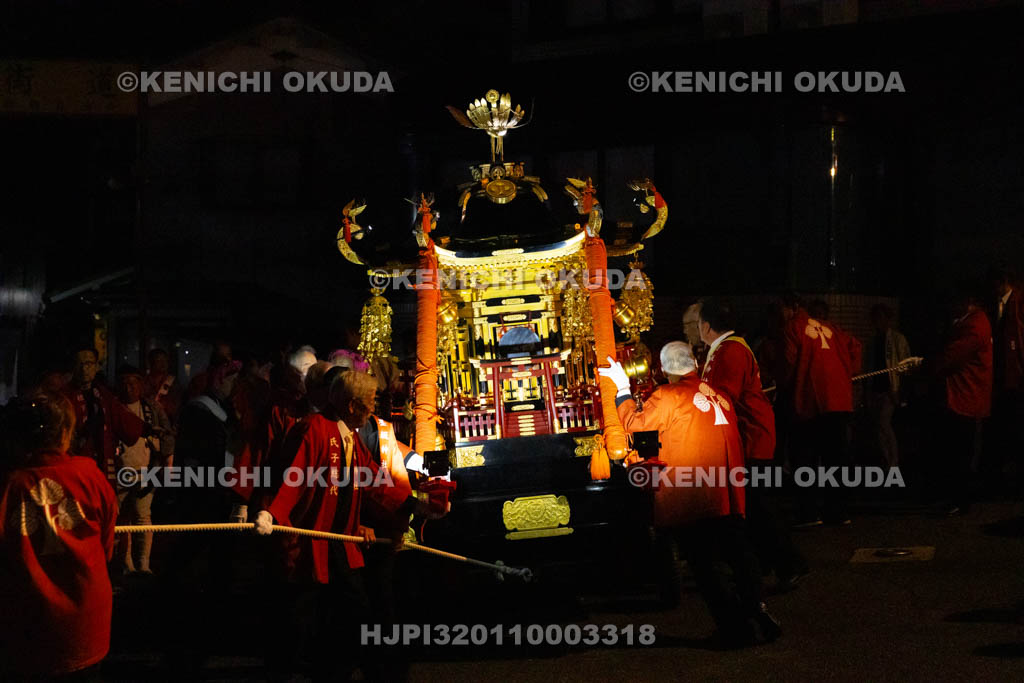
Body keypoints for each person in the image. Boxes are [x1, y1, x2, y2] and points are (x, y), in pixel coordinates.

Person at [600, 342, 780, 648]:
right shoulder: (719, 395)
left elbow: (635, 424)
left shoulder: (669, 396)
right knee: (739, 555)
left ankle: (736, 628)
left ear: (663, 369)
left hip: (693, 495)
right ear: (694, 364)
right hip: (728, 491)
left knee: (705, 566)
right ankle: (756, 609)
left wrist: (621, 389)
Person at [253, 370, 380, 680]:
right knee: (299, 615)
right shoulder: (313, 429)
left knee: (352, 609)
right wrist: (273, 513)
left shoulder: (350, 436)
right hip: (310, 539)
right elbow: (292, 478)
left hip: (340, 541)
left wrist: (411, 504)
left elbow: (376, 480)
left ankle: (334, 669)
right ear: (352, 405)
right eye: (369, 402)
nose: (373, 408)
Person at [0, 392, 118, 679]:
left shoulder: (8, 485)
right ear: (65, 432)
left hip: (27, 623)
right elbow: (106, 547)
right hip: (86, 621)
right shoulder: (89, 475)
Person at [697, 298, 808, 591]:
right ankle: (766, 563)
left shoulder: (729, 351)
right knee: (754, 505)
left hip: (751, 437)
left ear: (706, 326)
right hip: (750, 434)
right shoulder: (728, 347)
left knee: (759, 506)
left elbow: (722, 398)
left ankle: (789, 563)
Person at [779, 296, 861, 527]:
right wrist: (846, 373)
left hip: (809, 402)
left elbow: (787, 365)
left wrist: (783, 388)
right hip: (839, 401)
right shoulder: (832, 328)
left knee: (805, 459)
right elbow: (855, 346)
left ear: (793, 307)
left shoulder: (792, 327)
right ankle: (838, 511)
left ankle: (808, 512)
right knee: (836, 458)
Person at [931, 293, 993, 515]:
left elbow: (953, 355)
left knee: (960, 451)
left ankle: (959, 499)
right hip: (965, 394)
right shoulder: (973, 323)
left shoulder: (974, 325)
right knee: (960, 450)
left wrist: (929, 365)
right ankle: (957, 497)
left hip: (965, 396)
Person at [114, 365, 174, 576]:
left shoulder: (151, 408)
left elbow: (167, 435)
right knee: (124, 519)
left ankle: (144, 563)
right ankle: (126, 562)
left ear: (140, 385)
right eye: (125, 383)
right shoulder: (114, 408)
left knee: (143, 516)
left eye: (133, 383)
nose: (129, 388)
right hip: (119, 470)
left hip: (147, 469)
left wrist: (168, 464)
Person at [63, 346, 149, 486]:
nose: (84, 369)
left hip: (102, 458)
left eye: (89, 364)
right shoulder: (65, 396)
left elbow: (122, 418)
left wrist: (148, 429)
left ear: (97, 366)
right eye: (80, 364)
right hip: (76, 460)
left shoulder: (104, 395)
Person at [988, 267, 1024, 490]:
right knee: (1006, 422)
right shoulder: (1000, 305)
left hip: (1014, 374)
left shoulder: (1017, 303)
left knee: (1014, 421)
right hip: (1004, 375)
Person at [866, 304, 911, 468]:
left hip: (890, 389)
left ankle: (893, 461)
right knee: (880, 427)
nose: (876, 321)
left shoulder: (897, 339)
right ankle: (888, 460)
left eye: (880, 317)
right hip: (877, 388)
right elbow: (869, 367)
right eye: (875, 318)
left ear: (887, 319)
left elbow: (906, 366)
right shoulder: (872, 342)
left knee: (883, 423)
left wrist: (901, 390)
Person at [144, 348, 180, 424]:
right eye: (159, 360)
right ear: (151, 363)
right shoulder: (143, 382)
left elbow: (176, 407)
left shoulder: (173, 383)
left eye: (165, 360)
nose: (163, 363)